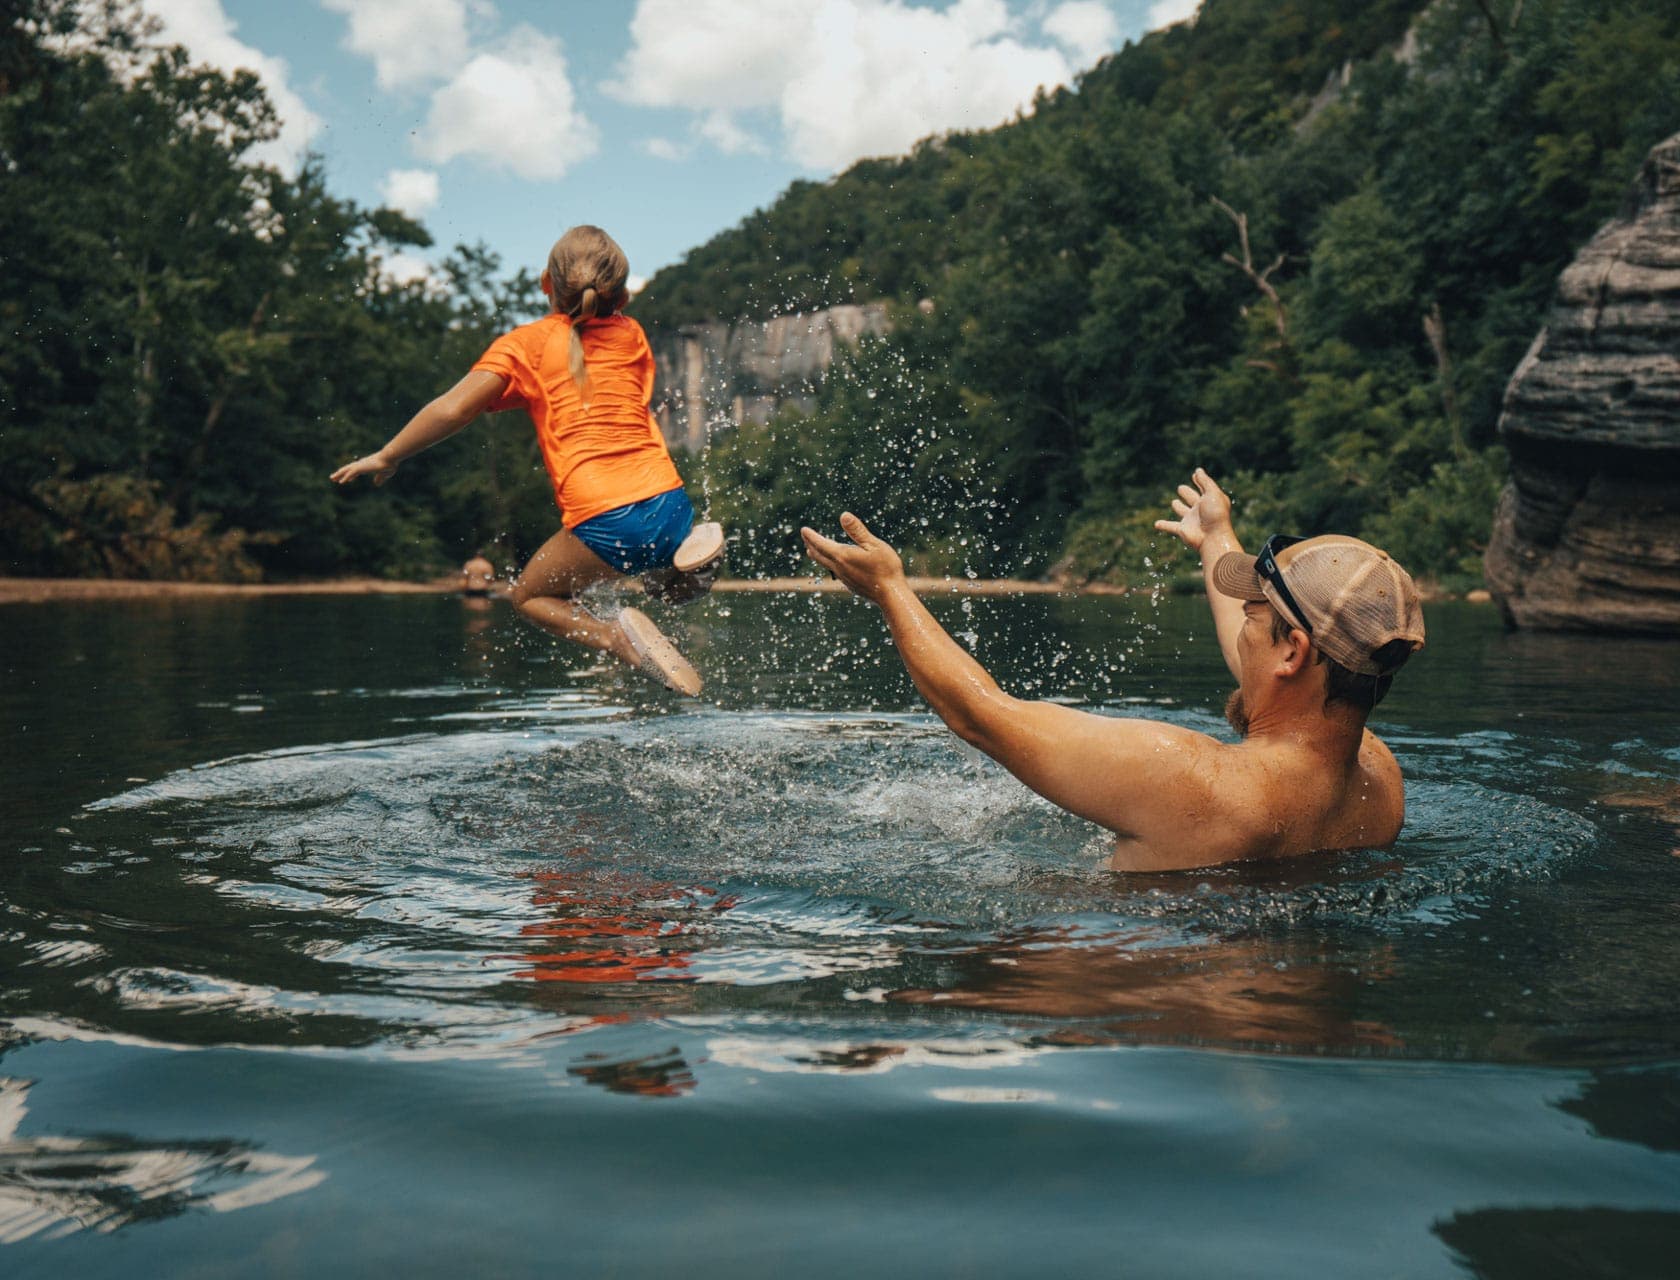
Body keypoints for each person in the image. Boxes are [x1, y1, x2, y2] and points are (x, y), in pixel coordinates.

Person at [800, 468, 1425, 872]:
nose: (1242, 631)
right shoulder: (1378, 779)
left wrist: (890, 591)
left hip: (1109, 960)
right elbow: (1274, 678)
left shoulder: (1194, 781)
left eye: (1253, 616)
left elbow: (980, 715)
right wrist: (1216, 538)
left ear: (1292, 650)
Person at [331, 225, 723, 696]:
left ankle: (616, 637)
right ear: (621, 297)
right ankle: (686, 573)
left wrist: (388, 454)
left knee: (530, 596)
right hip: (671, 501)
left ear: (545, 284)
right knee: (656, 585)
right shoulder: (631, 335)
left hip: (606, 514)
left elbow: (455, 406)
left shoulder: (525, 345)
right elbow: (580, 383)